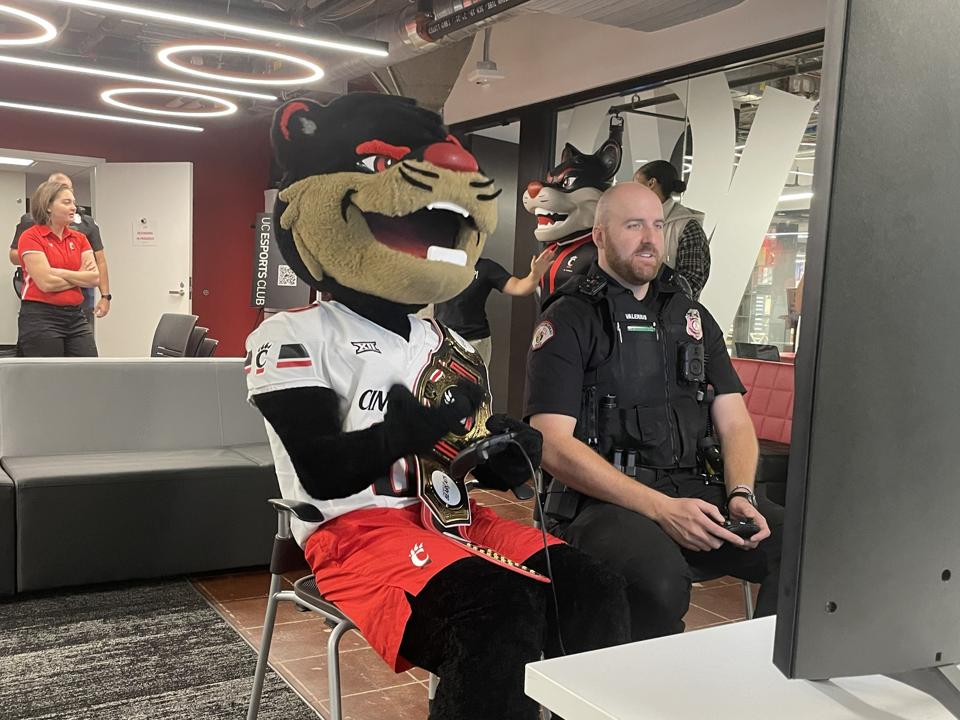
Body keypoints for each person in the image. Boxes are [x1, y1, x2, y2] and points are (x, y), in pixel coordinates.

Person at [524, 182, 782, 641]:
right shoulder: (569, 318)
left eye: (658, 225)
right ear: (600, 236)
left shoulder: (691, 316)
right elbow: (551, 444)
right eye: (633, 225)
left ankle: (768, 679)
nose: (650, 238)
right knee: (657, 584)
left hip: (693, 489)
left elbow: (735, 419)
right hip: (601, 504)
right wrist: (662, 510)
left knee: (809, 547)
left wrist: (741, 493)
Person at [11, 172, 111, 325]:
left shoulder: (86, 226)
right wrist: (44, 262)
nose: (72, 206)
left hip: (78, 302)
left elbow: (98, 266)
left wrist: (105, 296)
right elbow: (15, 257)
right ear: (47, 198)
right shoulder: (29, 225)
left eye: (71, 198)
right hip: (42, 304)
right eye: (65, 200)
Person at [16, 180, 100, 356]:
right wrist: (79, 276)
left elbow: (94, 278)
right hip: (40, 317)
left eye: (74, 203)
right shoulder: (30, 236)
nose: (74, 208)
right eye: (66, 202)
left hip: (76, 316)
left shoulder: (79, 238)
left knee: (89, 373)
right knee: (49, 378)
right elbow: (47, 283)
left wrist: (61, 273)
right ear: (48, 206)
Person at [434, 248, 556, 366]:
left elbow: (520, 287)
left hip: (475, 341)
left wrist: (534, 275)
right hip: (443, 339)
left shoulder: (486, 267)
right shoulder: (442, 264)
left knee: (474, 384)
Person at [634, 160, 711, 299]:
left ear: (651, 183)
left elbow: (691, 284)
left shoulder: (686, 226)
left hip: (668, 316)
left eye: (636, 184)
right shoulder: (633, 222)